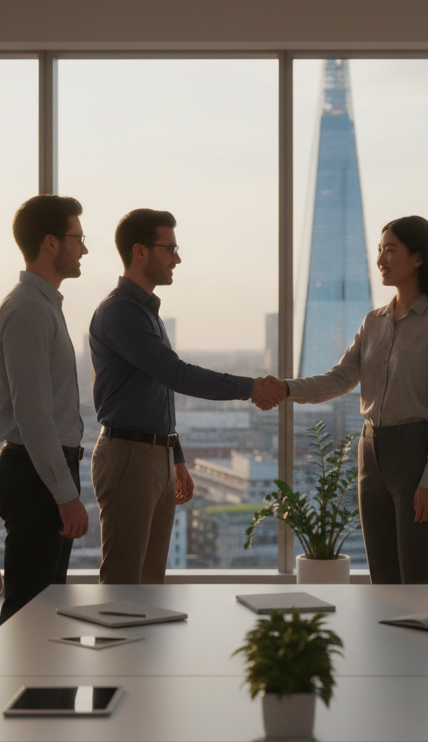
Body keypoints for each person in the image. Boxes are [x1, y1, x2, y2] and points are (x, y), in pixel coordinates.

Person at [89, 208, 285, 584]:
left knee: (149, 583)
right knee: (124, 583)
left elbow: (157, 390)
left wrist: (174, 455)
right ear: (140, 251)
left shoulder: (147, 312)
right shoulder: (120, 312)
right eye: (170, 249)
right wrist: (251, 388)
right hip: (130, 457)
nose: (177, 259)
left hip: (153, 456)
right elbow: (176, 375)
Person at [265, 216, 428, 584]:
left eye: (391, 250)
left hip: (415, 454)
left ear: (419, 258)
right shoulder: (374, 321)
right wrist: (286, 388)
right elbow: (340, 378)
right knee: (382, 575)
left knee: (418, 576)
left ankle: (421, 643)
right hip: (371, 451)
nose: (381, 259)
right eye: (379, 250)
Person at [0, 194, 92, 625]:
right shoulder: (30, 309)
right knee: (30, 616)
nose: (84, 248)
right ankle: (23, 694)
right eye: (78, 237)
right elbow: (33, 416)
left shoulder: (43, 305)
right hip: (35, 475)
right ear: (51, 243)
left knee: (42, 612)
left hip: (41, 472)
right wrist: (65, 494)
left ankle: (40, 692)